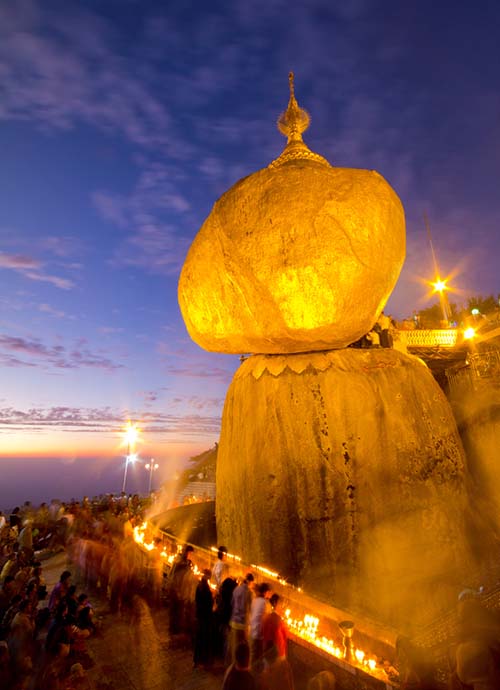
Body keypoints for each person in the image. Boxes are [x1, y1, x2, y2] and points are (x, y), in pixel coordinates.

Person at [229, 573, 254, 662]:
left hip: (233, 621)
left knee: (234, 647)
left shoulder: (236, 589)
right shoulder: (249, 593)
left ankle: (233, 664)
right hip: (243, 625)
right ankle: (240, 667)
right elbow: (251, 609)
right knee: (242, 649)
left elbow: (231, 603)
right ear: (250, 582)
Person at [193, 568, 213, 668]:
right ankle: (203, 660)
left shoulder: (199, 586)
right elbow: (209, 604)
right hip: (205, 617)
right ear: (208, 576)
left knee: (199, 638)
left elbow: (197, 600)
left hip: (200, 615)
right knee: (204, 638)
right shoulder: (205, 589)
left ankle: (196, 660)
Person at [249, 582, 271, 670]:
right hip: (259, 634)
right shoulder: (265, 603)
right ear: (265, 592)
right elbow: (266, 619)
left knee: (251, 655)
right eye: (269, 592)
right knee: (257, 657)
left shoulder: (255, 600)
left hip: (252, 630)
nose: (270, 594)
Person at [262, 594, 288, 659]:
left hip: (267, 652)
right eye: (281, 604)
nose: (282, 607)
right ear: (276, 604)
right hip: (276, 654)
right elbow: (282, 638)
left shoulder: (268, 617)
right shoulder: (278, 621)